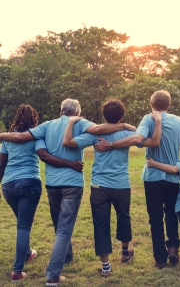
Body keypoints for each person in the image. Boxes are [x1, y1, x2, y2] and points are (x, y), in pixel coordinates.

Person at [0, 98, 131, 286]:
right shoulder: (80, 122)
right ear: (77, 112)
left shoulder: (46, 126)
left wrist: (3, 135)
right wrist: (125, 125)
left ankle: (67, 256)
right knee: (64, 229)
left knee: (58, 224)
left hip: (52, 184)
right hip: (72, 183)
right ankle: (52, 275)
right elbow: (99, 130)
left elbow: (21, 138)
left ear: (61, 110)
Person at [95, 90, 180, 269]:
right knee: (171, 213)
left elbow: (136, 138)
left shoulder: (149, 119)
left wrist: (110, 144)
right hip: (172, 177)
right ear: (169, 105)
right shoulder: (179, 121)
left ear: (152, 105)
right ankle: (173, 248)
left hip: (152, 177)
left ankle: (160, 258)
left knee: (155, 217)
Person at [62, 99, 162, 276]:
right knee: (124, 217)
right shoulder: (127, 133)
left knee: (101, 223)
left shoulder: (95, 133)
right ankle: (125, 252)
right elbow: (151, 141)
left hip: (99, 185)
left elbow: (69, 142)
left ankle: (106, 266)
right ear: (121, 115)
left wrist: (70, 124)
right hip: (121, 184)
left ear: (103, 115)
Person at [0, 104, 83, 283]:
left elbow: (1, 164)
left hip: (8, 185)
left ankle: (28, 253)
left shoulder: (8, 138)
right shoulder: (36, 135)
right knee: (23, 226)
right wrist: (71, 164)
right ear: (34, 119)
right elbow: (44, 156)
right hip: (29, 183)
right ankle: (17, 271)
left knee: (21, 223)